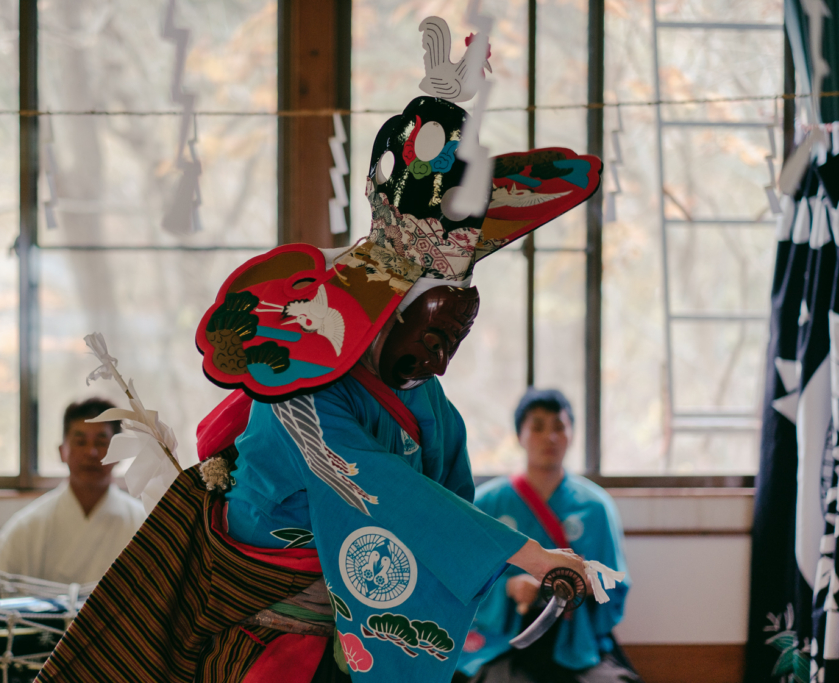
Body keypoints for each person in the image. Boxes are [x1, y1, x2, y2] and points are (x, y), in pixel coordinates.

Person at [38, 89, 604, 682]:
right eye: (432, 337)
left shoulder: (432, 405)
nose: (439, 363)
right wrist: (532, 555)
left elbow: (451, 504)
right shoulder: (300, 390)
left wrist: (512, 566)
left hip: (354, 617)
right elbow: (379, 486)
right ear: (389, 315)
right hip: (268, 625)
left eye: (454, 343)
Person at [454, 389, 638, 683]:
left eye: (559, 427)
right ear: (520, 435)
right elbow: (462, 578)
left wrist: (586, 584)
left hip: (576, 639)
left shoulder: (596, 506)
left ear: (571, 434)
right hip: (502, 641)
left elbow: (615, 582)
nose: (549, 437)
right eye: (537, 427)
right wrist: (510, 588)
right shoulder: (488, 503)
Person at [0, 397, 147, 661]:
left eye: (101, 442)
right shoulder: (29, 524)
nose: (91, 452)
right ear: (61, 451)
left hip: (119, 657)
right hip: (40, 658)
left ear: (118, 453)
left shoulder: (142, 523)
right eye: (80, 441)